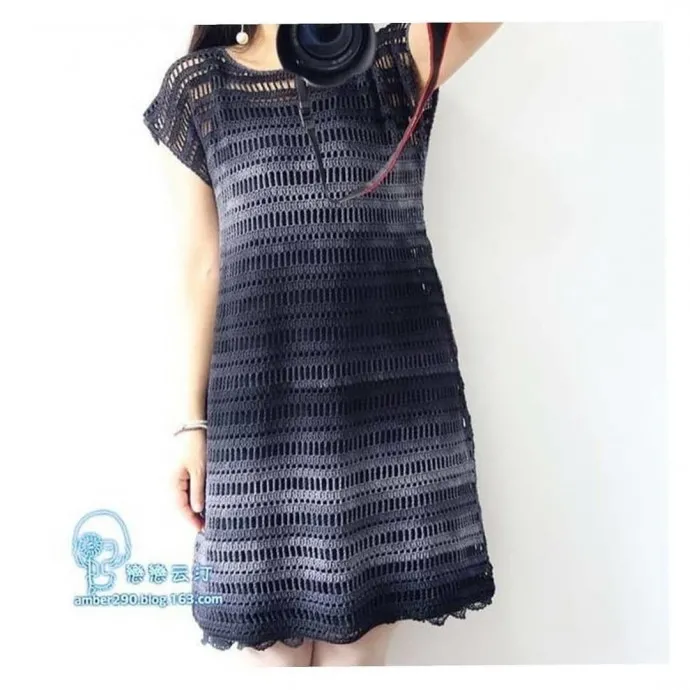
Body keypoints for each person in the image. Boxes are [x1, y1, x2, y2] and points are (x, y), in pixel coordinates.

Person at [143, 22, 501, 667]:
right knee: (272, 656)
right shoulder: (200, 89)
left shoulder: (391, 63)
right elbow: (202, 264)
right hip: (261, 413)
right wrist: (191, 424)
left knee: (357, 657)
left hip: (385, 408)